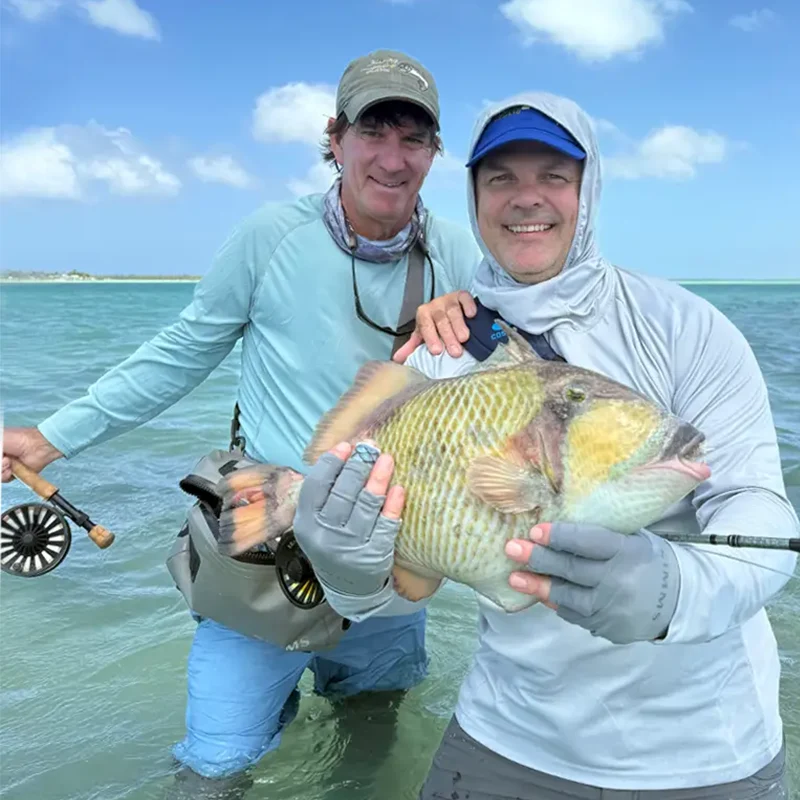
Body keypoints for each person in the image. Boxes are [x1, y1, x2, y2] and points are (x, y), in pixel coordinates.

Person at [292, 92, 798, 798]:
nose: (526, 199)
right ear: (472, 194)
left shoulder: (686, 326)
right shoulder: (441, 348)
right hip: (506, 736)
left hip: (705, 751)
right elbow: (395, 597)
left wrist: (675, 595)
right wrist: (343, 563)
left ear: (588, 191)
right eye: (501, 177)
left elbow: (760, 511)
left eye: (553, 176)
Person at [1, 49, 483, 788]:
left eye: (413, 138)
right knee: (215, 765)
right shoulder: (268, 236)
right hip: (266, 547)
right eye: (373, 131)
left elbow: (516, 378)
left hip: (388, 556)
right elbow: (179, 352)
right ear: (335, 138)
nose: (392, 157)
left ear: (435, 153)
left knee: (373, 738)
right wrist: (49, 437)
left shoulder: (458, 252)